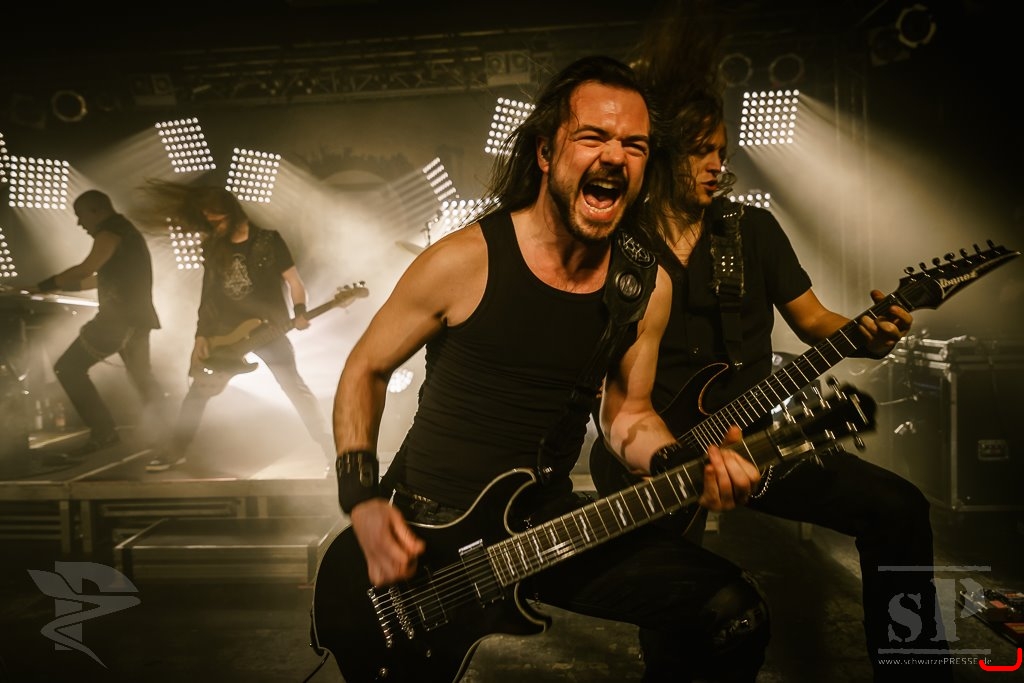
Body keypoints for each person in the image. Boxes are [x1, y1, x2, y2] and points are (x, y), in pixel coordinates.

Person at [329, 55, 770, 682]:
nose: (615, 156)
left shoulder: (645, 285)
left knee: (733, 611)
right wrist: (363, 502)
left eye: (635, 145)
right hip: (428, 537)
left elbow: (628, 413)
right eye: (593, 137)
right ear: (544, 152)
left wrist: (682, 462)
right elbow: (364, 369)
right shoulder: (464, 261)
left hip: (542, 526)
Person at [589, 7, 952, 680]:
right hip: (658, 456)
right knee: (680, 622)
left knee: (899, 508)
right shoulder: (621, 240)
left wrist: (871, 337)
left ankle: (915, 669)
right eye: (702, 151)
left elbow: (814, 320)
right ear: (664, 153)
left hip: (755, 442)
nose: (717, 164)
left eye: (723, 151)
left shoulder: (750, 231)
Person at [142, 184, 334, 472]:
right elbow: (208, 296)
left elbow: (294, 281)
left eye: (217, 220)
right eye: (209, 221)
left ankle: (333, 451)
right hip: (226, 336)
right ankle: (175, 451)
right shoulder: (213, 246)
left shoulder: (268, 240)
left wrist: (299, 311)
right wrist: (201, 336)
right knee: (198, 393)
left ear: (231, 213)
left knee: (295, 388)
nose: (213, 225)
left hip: (269, 330)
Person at [35, 189, 166, 457]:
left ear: (97, 211)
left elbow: (86, 269)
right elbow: (96, 280)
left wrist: (42, 286)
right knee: (141, 376)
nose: (79, 223)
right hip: (136, 318)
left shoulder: (111, 231)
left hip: (119, 320)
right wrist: (53, 287)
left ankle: (105, 432)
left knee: (68, 368)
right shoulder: (125, 233)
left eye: (81, 215)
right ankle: (168, 431)